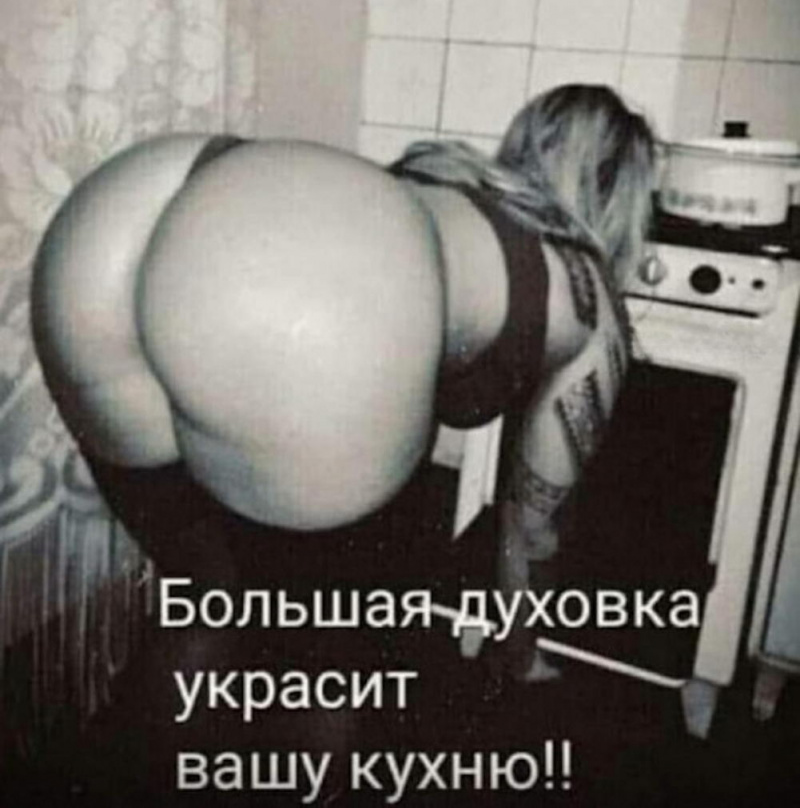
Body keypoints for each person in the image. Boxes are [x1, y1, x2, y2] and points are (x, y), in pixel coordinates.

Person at [31, 83, 656, 687]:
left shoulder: (439, 167)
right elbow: (533, 526)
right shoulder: (591, 300)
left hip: (134, 206)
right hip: (300, 318)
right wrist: (519, 649)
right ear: (624, 199)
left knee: (205, 598)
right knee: (328, 651)